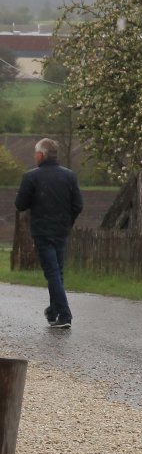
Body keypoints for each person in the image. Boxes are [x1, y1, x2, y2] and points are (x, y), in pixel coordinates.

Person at [15, 138, 83, 329]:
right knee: (57, 272)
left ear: (40, 155)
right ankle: (53, 312)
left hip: (42, 232)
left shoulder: (31, 177)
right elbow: (78, 205)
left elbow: (20, 205)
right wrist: (67, 222)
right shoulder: (69, 176)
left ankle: (65, 314)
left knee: (52, 273)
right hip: (62, 231)